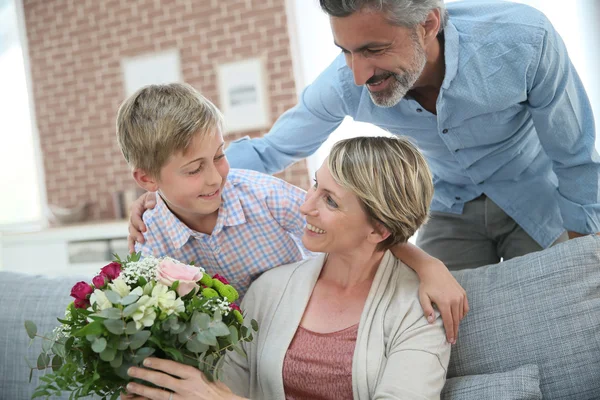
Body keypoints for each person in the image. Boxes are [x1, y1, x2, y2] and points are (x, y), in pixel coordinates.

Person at [217, 0, 599, 270]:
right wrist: (185, 177)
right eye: (346, 52)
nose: (358, 75)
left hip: (537, 197)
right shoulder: (342, 84)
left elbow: (575, 155)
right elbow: (272, 151)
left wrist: (584, 255)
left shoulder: (523, 40)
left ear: (428, 24)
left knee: (556, 318)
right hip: (449, 203)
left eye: (374, 49)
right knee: (440, 326)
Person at [116, 82, 467, 343]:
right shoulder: (151, 238)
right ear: (147, 179)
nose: (214, 177)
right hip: (229, 351)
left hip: (304, 326)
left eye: (220, 156)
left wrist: (427, 264)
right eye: (195, 169)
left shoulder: (259, 193)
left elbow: (354, 228)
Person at [124, 136, 451, 400]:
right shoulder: (268, 290)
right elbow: (226, 386)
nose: (305, 206)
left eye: (331, 201)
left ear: (379, 230)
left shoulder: (419, 310)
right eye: (314, 185)